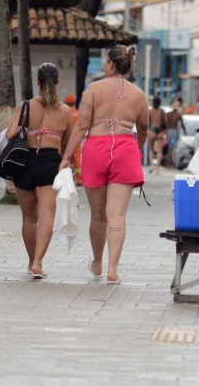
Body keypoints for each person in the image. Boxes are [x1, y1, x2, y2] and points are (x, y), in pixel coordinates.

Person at [60, 44, 148, 284]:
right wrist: (137, 148)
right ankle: (112, 269)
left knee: (99, 216)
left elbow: (81, 126)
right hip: (126, 149)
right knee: (117, 214)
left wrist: (66, 156)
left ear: (110, 64)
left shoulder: (93, 89)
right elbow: (144, 128)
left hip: (96, 149)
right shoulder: (139, 94)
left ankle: (97, 262)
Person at [5, 63, 73, 279]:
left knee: (28, 217)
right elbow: (67, 144)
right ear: (57, 82)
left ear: (38, 81)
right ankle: (38, 262)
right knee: (47, 215)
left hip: (23, 162)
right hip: (49, 163)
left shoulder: (25, 106)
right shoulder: (65, 111)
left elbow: (10, 134)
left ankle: (30, 261)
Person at [63, 94, 82, 186]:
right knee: (77, 159)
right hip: (76, 140)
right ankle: (79, 179)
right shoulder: (78, 113)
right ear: (74, 103)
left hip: (65, 139)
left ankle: (66, 179)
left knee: (65, 158)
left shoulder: (63, 113)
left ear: (65, 102)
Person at [148, 96, 167, 174]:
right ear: (160, 103)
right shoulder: (162, 111)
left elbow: (147, 122)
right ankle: (157, 170)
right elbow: (165, 122)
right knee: (160, 151)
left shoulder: (150, 111)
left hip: (152, 130)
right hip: (160, 131)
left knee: (151, 149)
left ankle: (152, 166)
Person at [165, 99, 183, 168]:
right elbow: (182, 125)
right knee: (172, 149)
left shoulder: (167, 114)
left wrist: (165, 132)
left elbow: (165, 124)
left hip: (168, 131)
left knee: (169, 148)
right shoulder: (178, 115)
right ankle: (170, 163)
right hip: (174, 131)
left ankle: (168, 163)